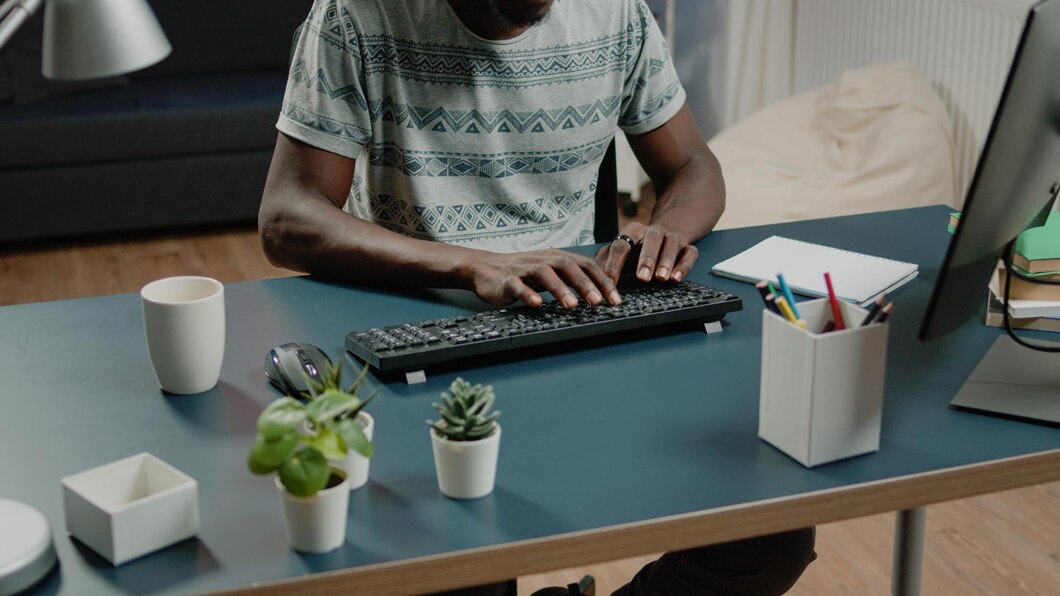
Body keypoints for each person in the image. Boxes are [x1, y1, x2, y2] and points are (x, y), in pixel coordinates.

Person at [259, 0, 816, 594]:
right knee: (464, 570)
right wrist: (475, 264)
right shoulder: (356, 16)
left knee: (770, 535)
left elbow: (694, 164)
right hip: (422, 332)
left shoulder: (616, 13)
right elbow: (288, 217)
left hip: (581, 327)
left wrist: (664, 232)